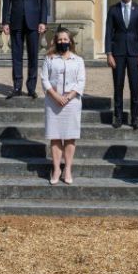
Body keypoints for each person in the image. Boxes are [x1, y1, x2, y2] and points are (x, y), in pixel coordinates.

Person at [41, 28, 85, 185]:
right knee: (55, 136)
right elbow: (45, 80)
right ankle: (56, 168)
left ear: (70, 41)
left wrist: (69, 96)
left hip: (72, 103)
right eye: (60, 39)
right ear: (55, 41)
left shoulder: (78, 60)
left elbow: (81, 81)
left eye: (65, 39)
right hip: (53, 102)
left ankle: (67, 169)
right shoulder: (49, 59)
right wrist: (56, 96)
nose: (63, 42)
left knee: (70, 136)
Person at [2, 0, 48, 99]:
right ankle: (16, 87)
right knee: (16, 56)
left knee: (33, 56)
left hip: (33, 23)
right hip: (15, 23)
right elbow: (6, 2)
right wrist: (5, 22)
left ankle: (31, 88)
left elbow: (44, 2)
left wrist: (43, 21)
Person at [104, 0, 138, 130]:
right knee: (118, 86)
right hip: (118, 53)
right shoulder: (113, 9)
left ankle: (134, 117)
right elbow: (108, 32)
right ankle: (118, 117)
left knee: (134, 87)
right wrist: (109, 54)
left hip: (135, 54)